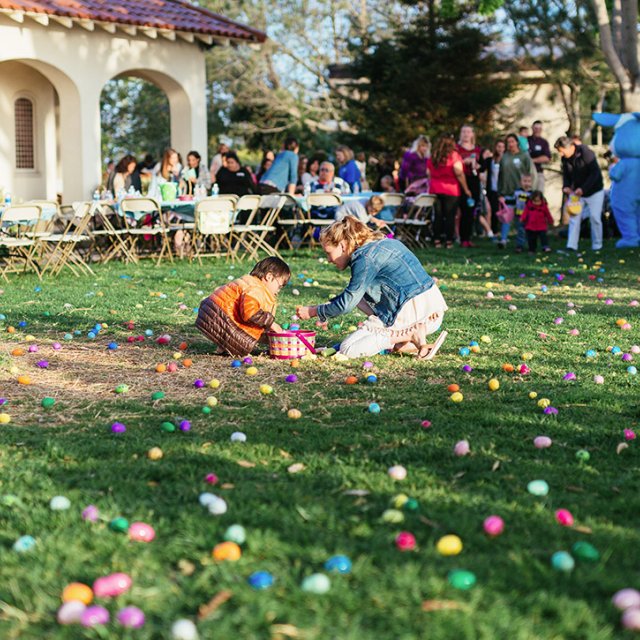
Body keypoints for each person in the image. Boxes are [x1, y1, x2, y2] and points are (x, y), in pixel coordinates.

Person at [295, 217, 448, 360]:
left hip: (411, 312)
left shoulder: (364, 259)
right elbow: (353, 297)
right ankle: (406, 341)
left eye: (328, 253)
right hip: (432, 311)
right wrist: (333, 347)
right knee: (358, 299)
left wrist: (314, 311)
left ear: (342, 245)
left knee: (349, 349)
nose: (329, 259)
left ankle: (409, 334)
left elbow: (347, 304)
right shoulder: (386, 243)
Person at [195, 257, 289, 356]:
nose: (279, 290)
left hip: (212, 312)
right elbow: (250, 313)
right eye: (279, 286)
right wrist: (271, 324)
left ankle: (224, 346)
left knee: (256, 330)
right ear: (269, 277)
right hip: (219, 316)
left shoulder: (250, 282)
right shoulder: (256, 289)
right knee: (246, 337)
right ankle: (227, 346)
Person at [554, 135, 604, 251]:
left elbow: (595, 173)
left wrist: (583, 189)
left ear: (569, 147)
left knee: (595, 217)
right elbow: (566, 175)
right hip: (577, 193)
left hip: (594, 191)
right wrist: (566, 186)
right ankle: (571, 246)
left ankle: (597, 245)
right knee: (574, 218)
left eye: (561, 151)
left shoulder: (586, 153)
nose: (560, 154)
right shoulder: (565, 159)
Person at [427, 133, 472, 248]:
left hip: (435, 189)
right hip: (451, 189)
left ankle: (437, 240)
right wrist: (466, 189)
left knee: (437, 215)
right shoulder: (453, 155)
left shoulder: (434, 156)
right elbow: (459, 172)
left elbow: (428, 173)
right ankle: (448, 241)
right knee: (450, 216)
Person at [497, 133, 536, 250]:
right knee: (506, 217)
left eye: (512, 142)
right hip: (508, 192)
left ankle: (521, 243)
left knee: (521, 219)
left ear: (517, 143)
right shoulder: (505, 157)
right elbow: (501, 175)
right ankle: (503, 240)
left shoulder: (524, 156)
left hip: (522, 193)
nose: (510, 144)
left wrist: (531, 190)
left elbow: (531, 173)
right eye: (508, 142)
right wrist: (500, 193)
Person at [456, 125, 483, 247]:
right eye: (464, 132)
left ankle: (468, 237)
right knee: (461, 209)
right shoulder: (456, 148)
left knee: (471, 209)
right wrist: (463, 162)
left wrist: (478, 165)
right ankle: (460, 237)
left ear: (472, 134)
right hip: (461, 180)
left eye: (468, 132)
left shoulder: (478, 149)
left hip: (474, 180)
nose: (466, 134)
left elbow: (483, 165)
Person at [499, 173, 534, 251]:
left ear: (531, 183)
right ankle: (520, 246)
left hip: (529, 216)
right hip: (519, 215)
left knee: (530, 231)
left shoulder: (532, 194)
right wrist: (505, 200)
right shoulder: (517, 192)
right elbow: (513, 201)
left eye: (529, 181)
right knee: (520, 230)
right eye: (525, 181)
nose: (527, 183)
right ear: (520, 182)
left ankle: (531, 246)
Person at [483, 139, 505, 234]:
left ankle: (503, 231)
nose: (500, 149)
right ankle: (494, 231)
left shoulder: (507, 160)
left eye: (502, 147)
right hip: (493, 189)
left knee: (504, 211)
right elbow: (481, 168)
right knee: (494, 210)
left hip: (504, 189)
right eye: (498, 147)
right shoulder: (490, 160)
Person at [521, 190, 554, 254]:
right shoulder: (529, 206)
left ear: (541, 200)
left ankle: (545, 246)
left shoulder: (544, 206)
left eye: (538, 201)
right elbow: (525, 213)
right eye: (534, 201)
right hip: (531, 226)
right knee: (531, 239)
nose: (536, 203)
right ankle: (532, 249)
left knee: (543, 237)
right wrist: (522, 218)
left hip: (541, 226)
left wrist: (551, 220)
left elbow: (548, 214)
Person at [528, 121, 551, 192]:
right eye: (536, 128)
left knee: (538, 194)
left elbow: (547, 158)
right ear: (532, 128)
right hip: (527, 173)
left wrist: (533, 160)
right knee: (525, 195)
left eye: (539, 128)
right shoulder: (527, 140)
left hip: (538, 172)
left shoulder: (544, 142)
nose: (537, 130)